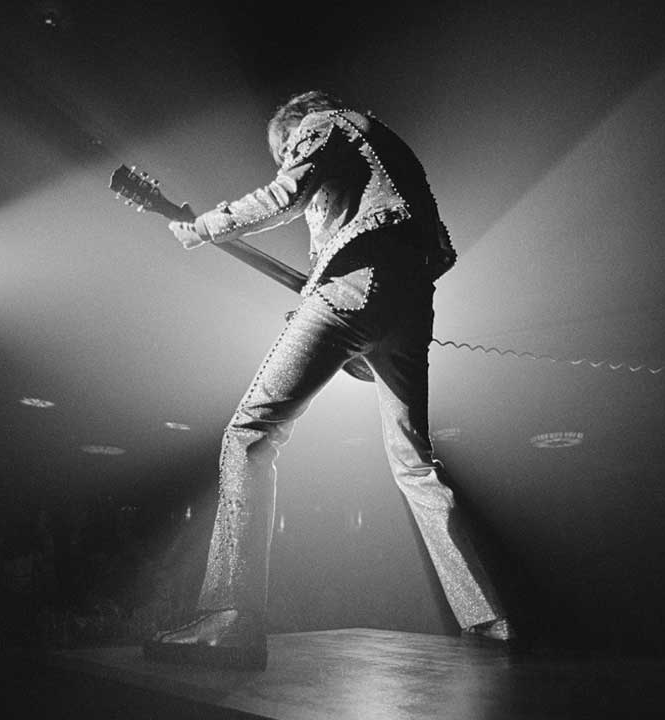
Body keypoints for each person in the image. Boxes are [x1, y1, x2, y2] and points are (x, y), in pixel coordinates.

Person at [144, 91, 512, 670]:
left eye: (283, 147)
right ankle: (490, 619)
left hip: (354, 290)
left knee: (250, 433)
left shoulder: (323, 123)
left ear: (294, 125)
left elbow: (283, 195)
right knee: (416, 464)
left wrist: (203, 227)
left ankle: (229, 620)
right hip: (412, 303)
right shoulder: (386, 146)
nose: (287, 155)